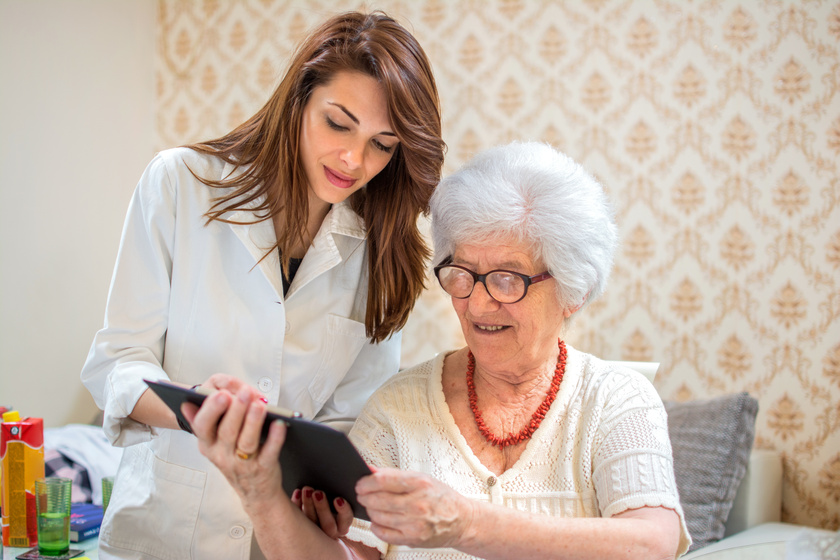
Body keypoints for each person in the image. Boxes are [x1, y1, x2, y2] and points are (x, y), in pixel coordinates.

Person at [185, 141, 692, 559]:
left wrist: (465, 524)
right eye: (463, 275)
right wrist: (258, 491)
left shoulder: (617, 399)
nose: (477, 303)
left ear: (573, 291)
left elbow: (651, 545)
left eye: (507, 279)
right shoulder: (398, 406)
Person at [80, 11, 445, 560]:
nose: (354, 159)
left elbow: (353, 418)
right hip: (157, 532)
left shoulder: (378, 251)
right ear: (300, 99)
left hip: (277, 537)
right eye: (339, 123)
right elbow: (117, 363)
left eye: (382, 144)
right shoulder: (181, 184)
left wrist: (336, 493)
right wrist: (197, 412)